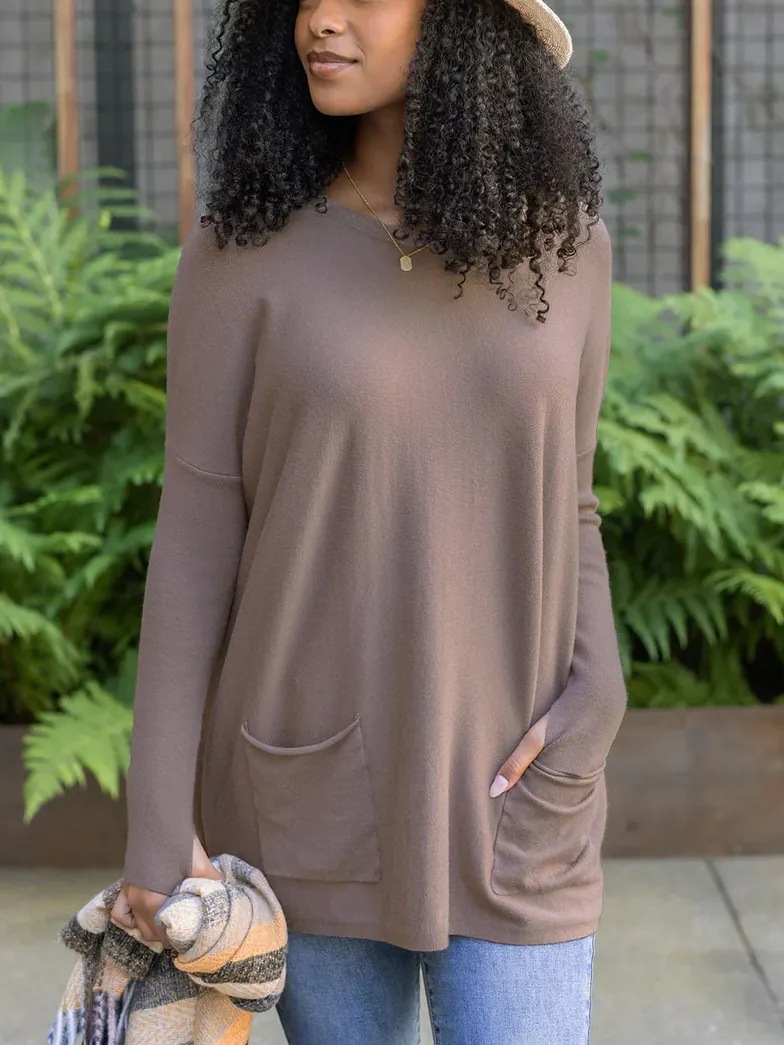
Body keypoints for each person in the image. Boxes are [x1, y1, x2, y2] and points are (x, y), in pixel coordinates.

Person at [111, 0, 628, 1041]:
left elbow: (568, 495)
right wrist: (158, 825)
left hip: (520, 796)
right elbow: (196, 545)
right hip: (309, 795)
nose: (323, 20)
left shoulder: (566, 251)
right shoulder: (241, 257)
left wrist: (599, 685)